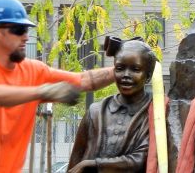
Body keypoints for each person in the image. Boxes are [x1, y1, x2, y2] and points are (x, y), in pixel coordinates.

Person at [0, 0, 117, 172]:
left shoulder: (33, 70)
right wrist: (43, 92)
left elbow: (85, 80)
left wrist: (122, 68)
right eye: (20, 30)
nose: (27, 37)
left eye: (27, 30)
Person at [67, 39, 160, 173]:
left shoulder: (156, 112)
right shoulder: (95, 112)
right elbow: (75, 161)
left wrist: (93, 164)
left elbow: (141, 159)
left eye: (135, 69)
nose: (126, 75)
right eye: (120, 68)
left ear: (148, 76)